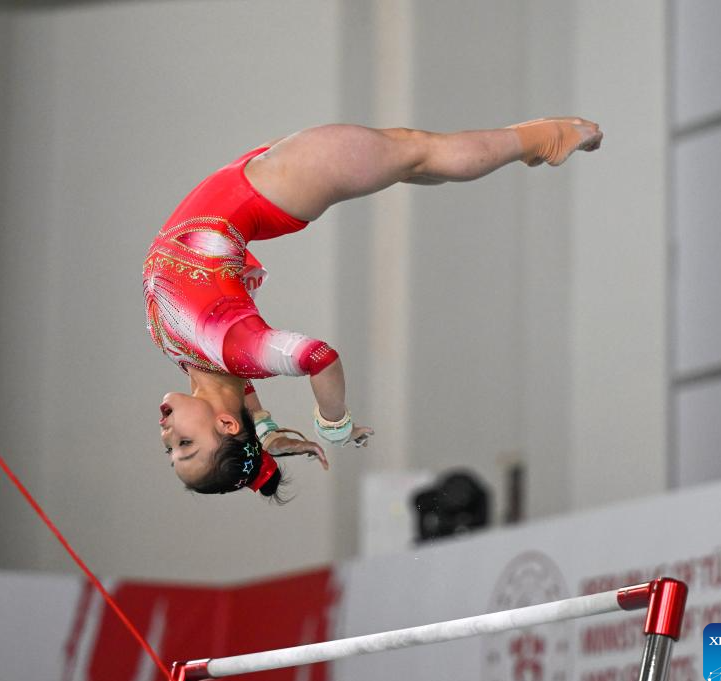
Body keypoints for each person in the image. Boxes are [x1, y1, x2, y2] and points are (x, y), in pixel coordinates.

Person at [144, 118, 603, 501]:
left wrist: (265, 431)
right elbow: (318, 357)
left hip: (252, 183)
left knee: (414, 158)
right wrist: (333, 424)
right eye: (185, 444)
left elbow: (234, 388)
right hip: (267, 190)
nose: (167, 437)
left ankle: (522, 145)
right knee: (420, 153)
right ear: (225, 424)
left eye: (171, 450)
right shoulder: (233, 348)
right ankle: (541, 138)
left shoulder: (206, 363)